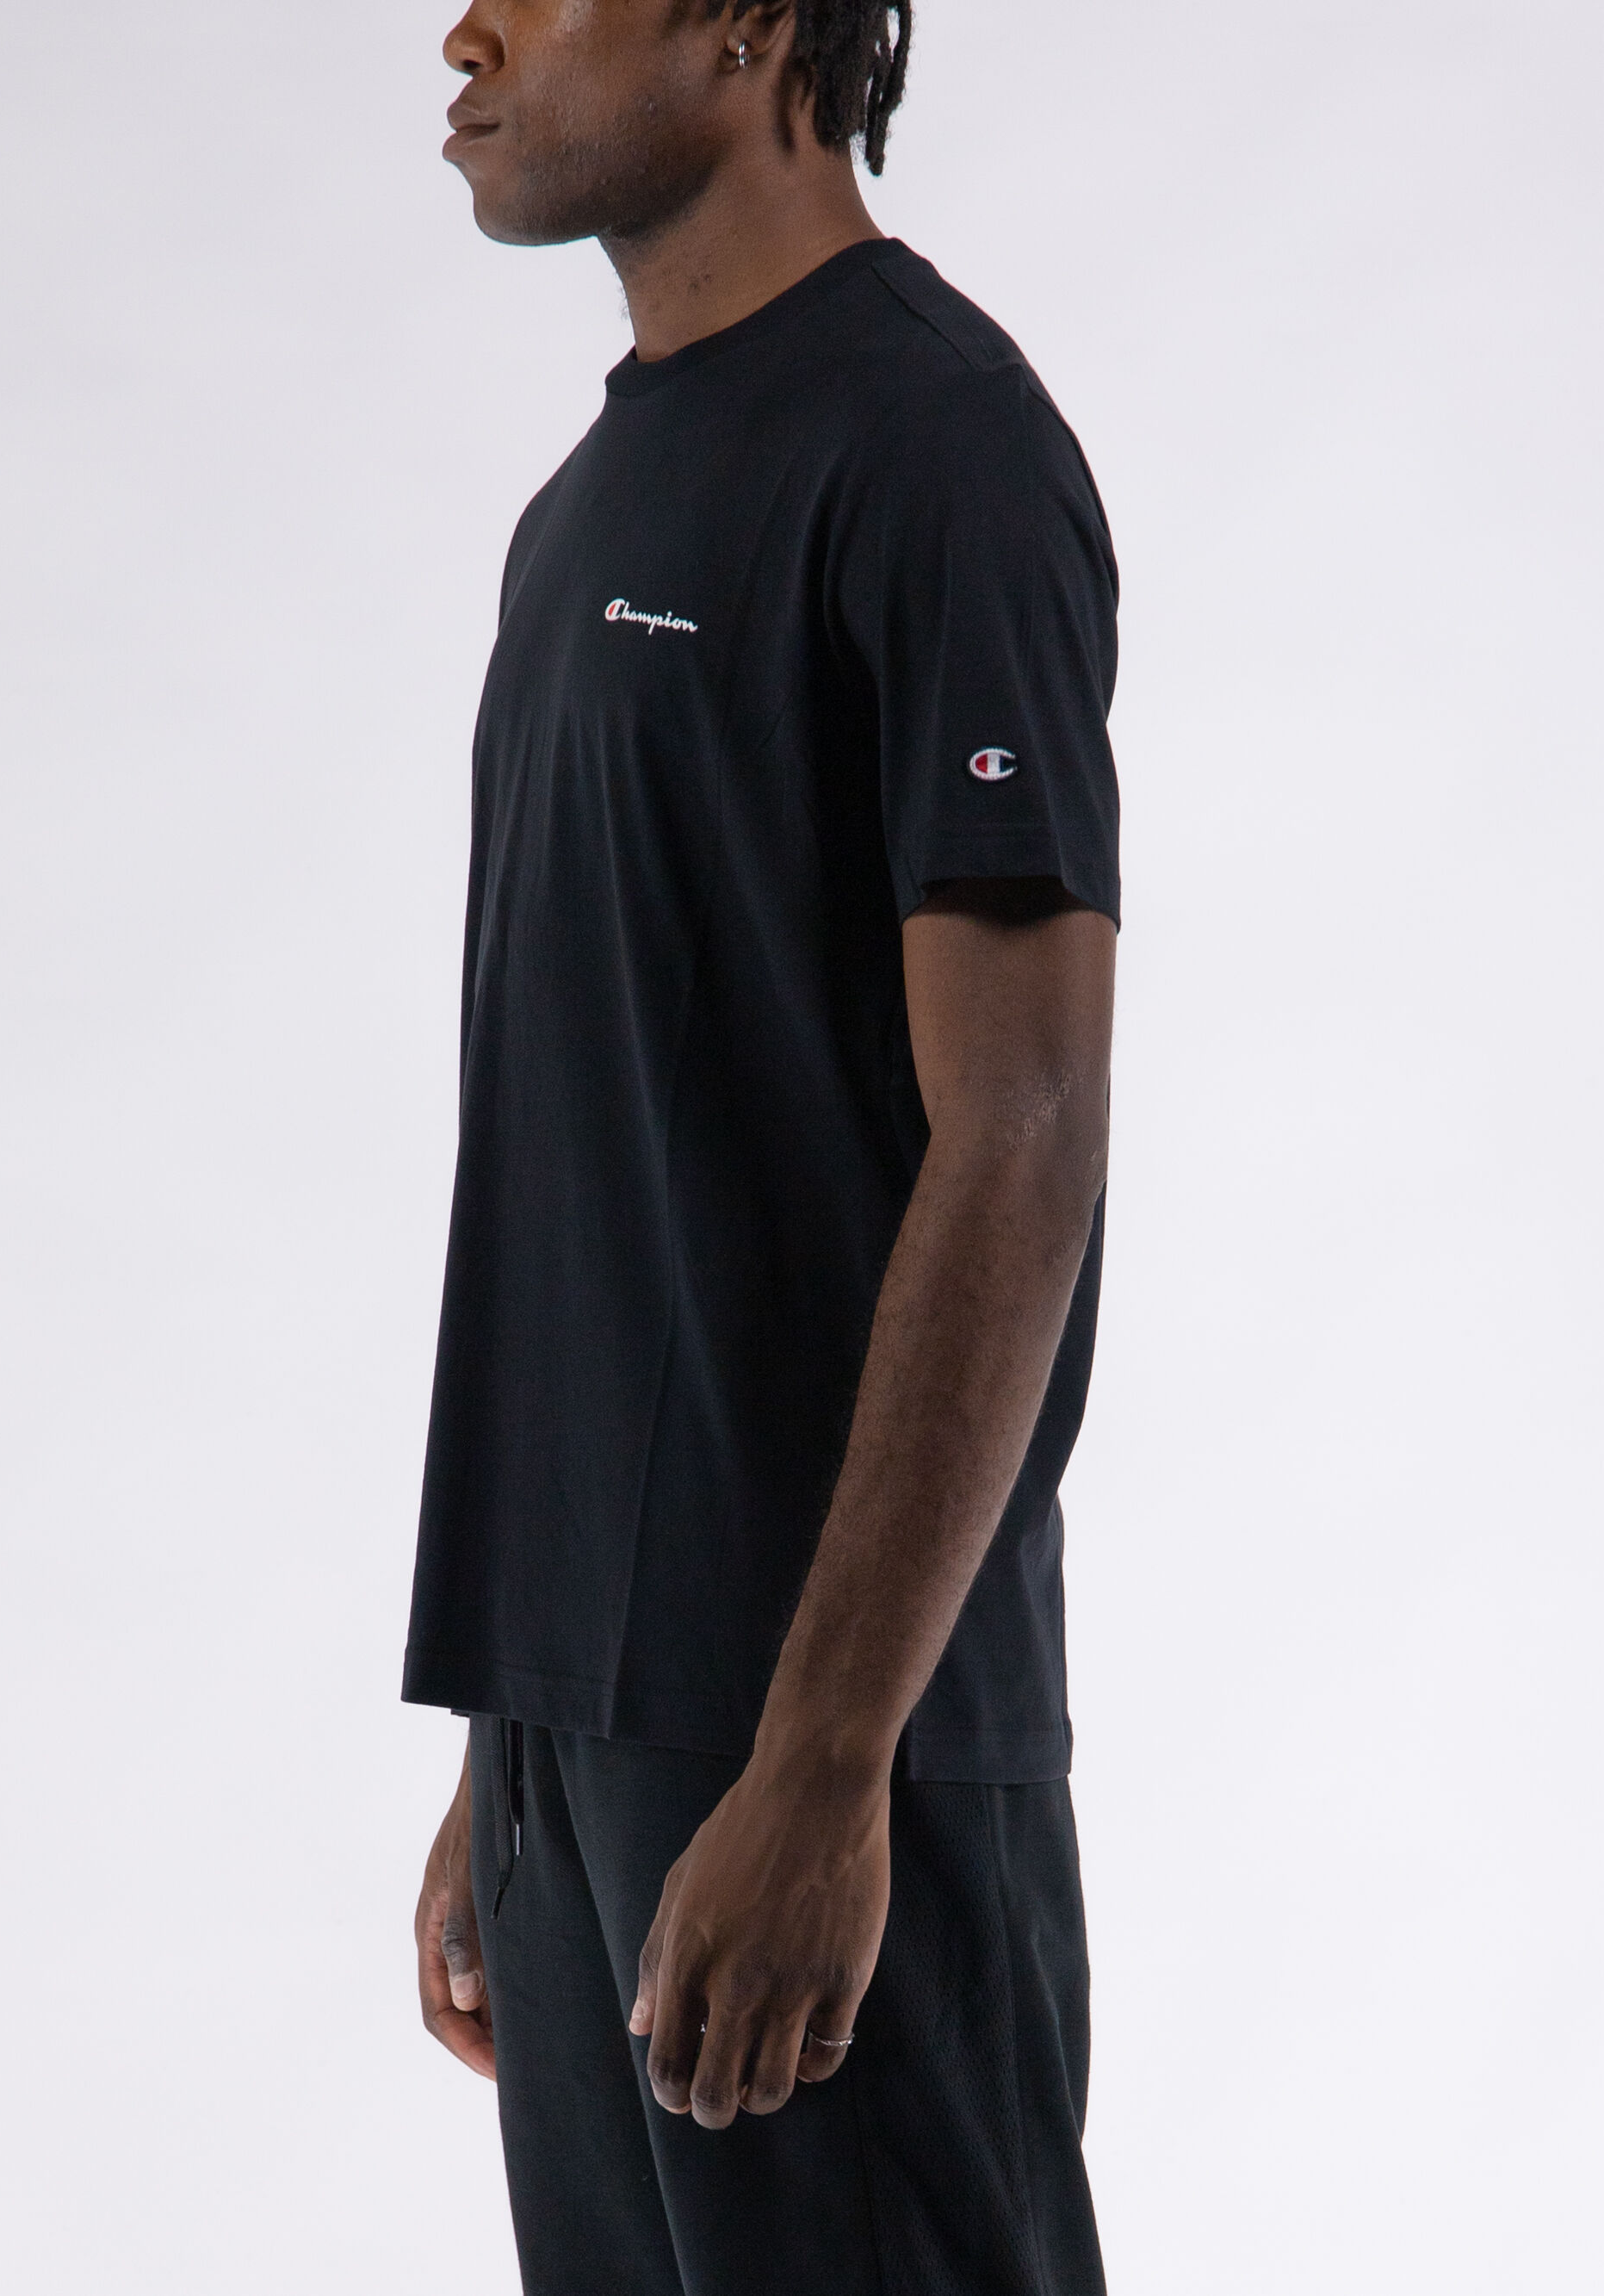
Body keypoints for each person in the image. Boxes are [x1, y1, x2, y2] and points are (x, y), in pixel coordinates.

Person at [406, 6, 1121, 2290]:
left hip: (829, 1748)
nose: (463, 29)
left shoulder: (936, 450)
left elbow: (1024, 1128)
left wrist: (823, 1765)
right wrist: (514, 1743)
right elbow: (611, 1149)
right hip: (593, 1748)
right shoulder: (578, 518)